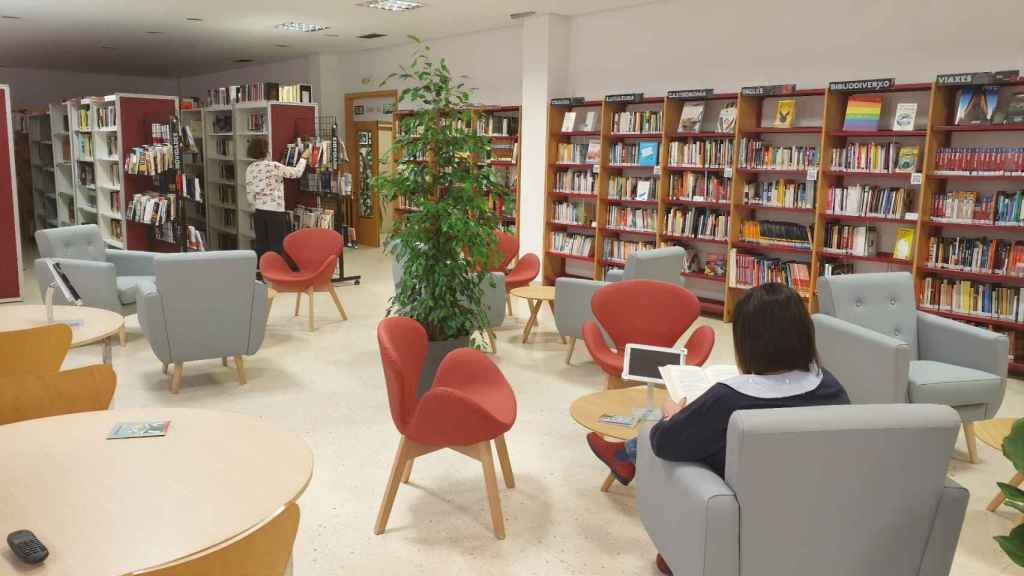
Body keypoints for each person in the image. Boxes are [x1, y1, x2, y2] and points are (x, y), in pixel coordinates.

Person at [586, 282, 850, 576]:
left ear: (747, 342)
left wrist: (672, 415)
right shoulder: (831, 387)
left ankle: (630, 460)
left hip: (736, 510)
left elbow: (664, 443)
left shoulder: (729, 398)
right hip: (811, 513)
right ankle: (626, 456)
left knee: (674, 431)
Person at [245, 137, 309, 270]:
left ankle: (263, 273)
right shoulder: (274, 166)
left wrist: (255, 206)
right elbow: (296, 173)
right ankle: (278, 273)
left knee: (261, 245)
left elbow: (249, 193)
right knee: (277, 245)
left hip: (259, 212)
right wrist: (303, 158)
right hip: (275, 212)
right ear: (266, 151)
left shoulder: (250, 169)